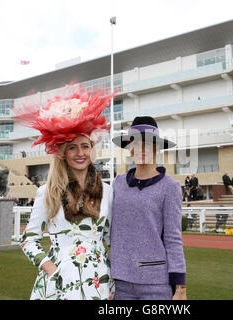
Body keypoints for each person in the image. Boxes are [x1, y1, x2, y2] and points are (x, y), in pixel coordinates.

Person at [18, 84, 117, 300]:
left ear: (92, 149)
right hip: (58, 285)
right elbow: (28, 240)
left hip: (99, 284)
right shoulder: (48, 192)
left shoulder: (108, 191)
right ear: (62, 153)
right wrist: (51, 270)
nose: (80, 153)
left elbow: (110, 238)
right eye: (72, 147)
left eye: (85, 146)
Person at [111, 116, 187, 300]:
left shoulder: (170, 187)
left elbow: (173, 238)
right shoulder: (117, 184)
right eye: (136, 143)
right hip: (120, 284)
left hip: (156, 285)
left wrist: (181, 288)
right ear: (130, 149)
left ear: (157, 148)